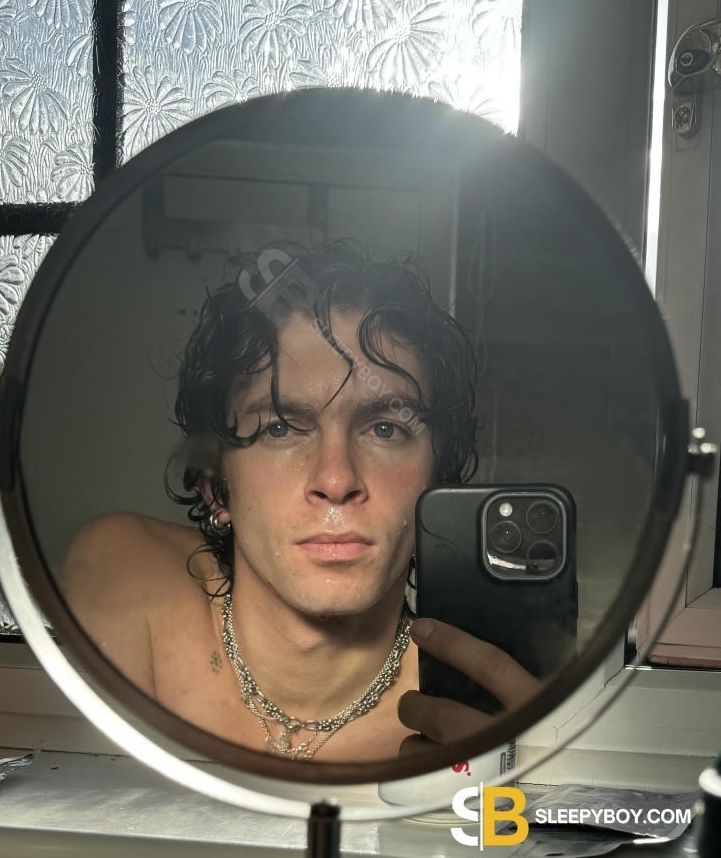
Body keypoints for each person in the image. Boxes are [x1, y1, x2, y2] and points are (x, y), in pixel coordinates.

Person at [62, 240, 538, 762]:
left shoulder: (464, 706)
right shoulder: (124, 573)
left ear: (436, 484)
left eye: (385, 428)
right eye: (280, 428)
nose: (336, 479)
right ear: (215, 483)